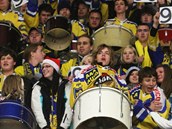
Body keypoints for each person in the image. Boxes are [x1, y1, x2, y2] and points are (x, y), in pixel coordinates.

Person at [70, 44, 127, 108]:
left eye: (107, 53)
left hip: (111, 109)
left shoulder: (116, 75)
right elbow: (76, 90)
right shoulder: (85, 72)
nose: (103, 55)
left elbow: (125, 95)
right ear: (96, 58)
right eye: (100, 53)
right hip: (90, 108)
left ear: (110, 59)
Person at [31, 57, 68, 129]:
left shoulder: (65, 85)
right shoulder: (38, 86)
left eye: (47, 66)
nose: (44, 69)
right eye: (43, 67)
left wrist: (63, 126)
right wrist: (44, 126)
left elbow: (69, 107)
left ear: (54, 68)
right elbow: (36, 109)